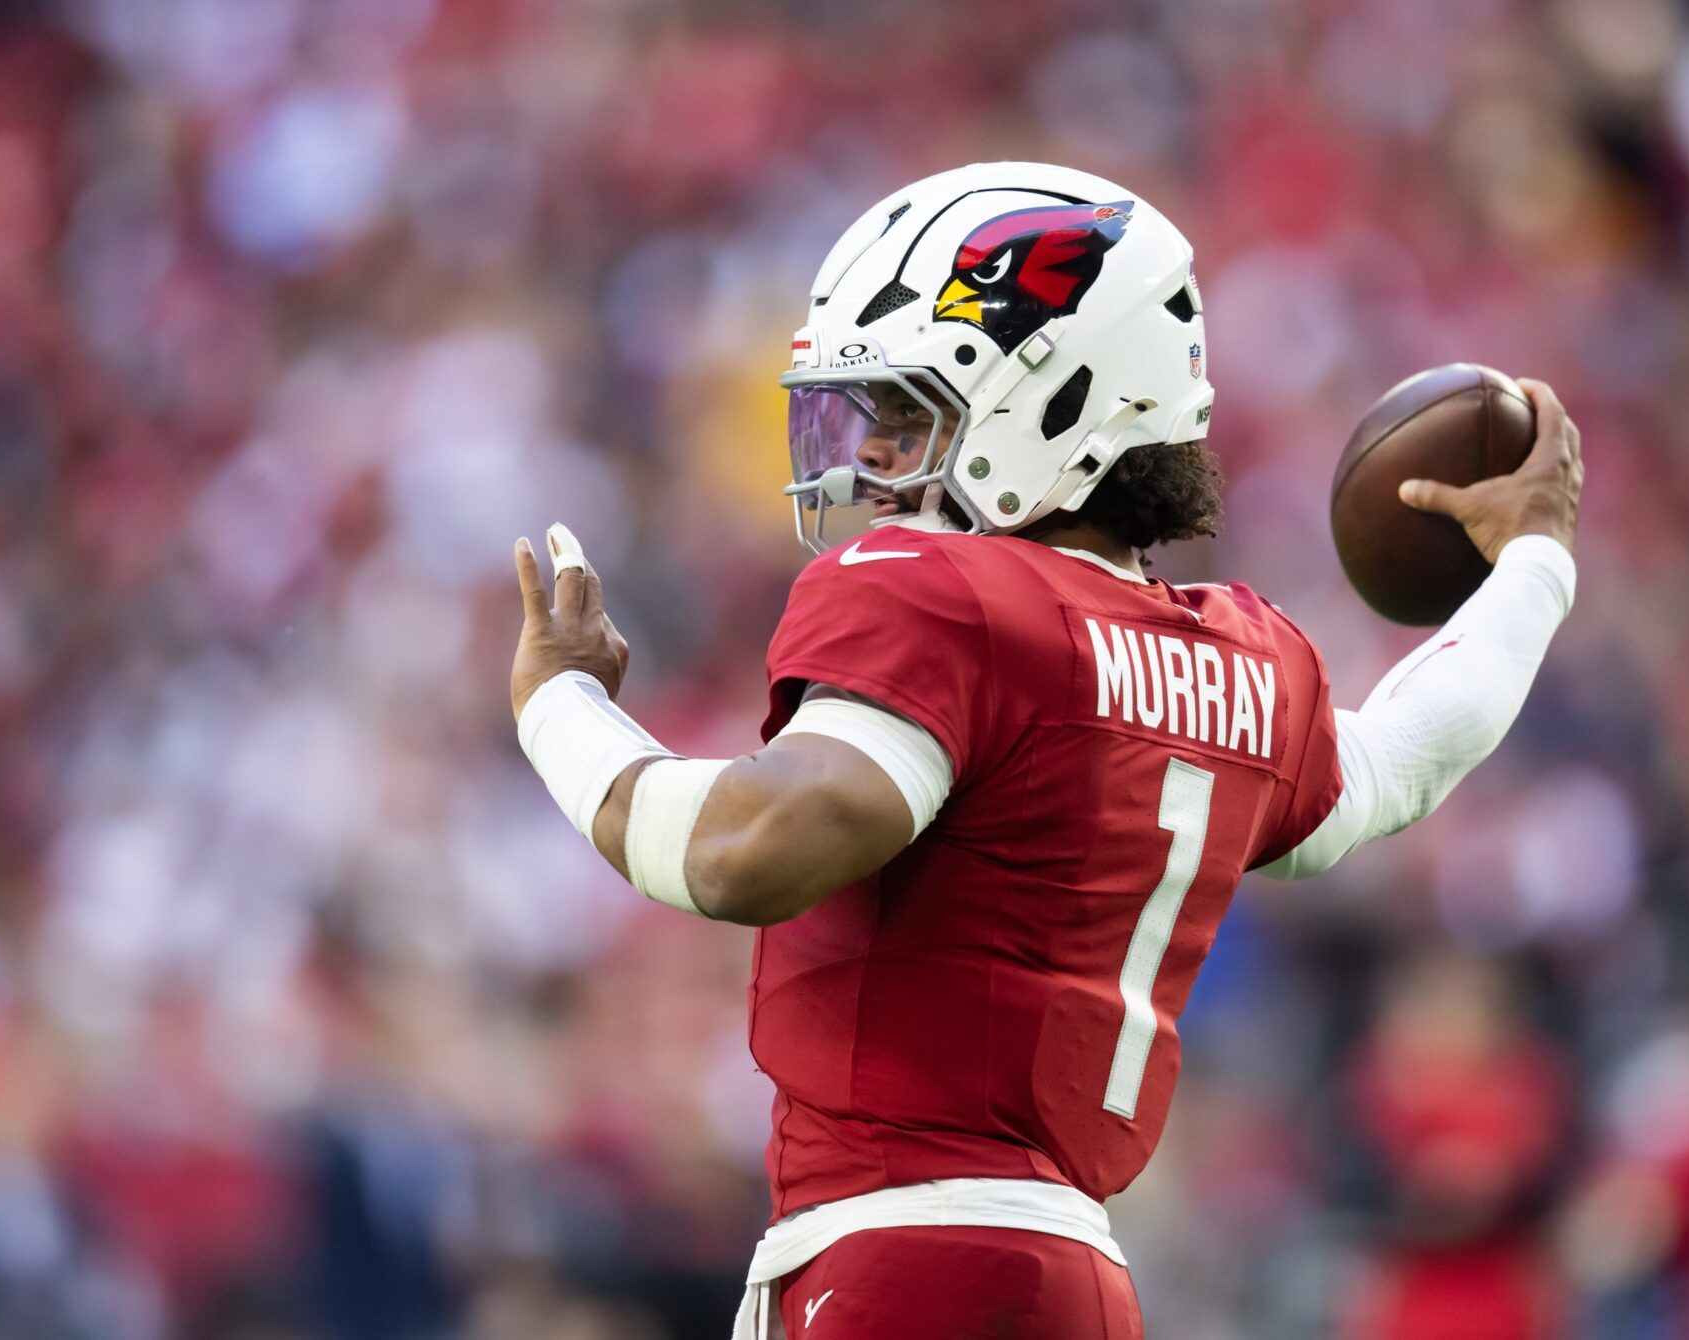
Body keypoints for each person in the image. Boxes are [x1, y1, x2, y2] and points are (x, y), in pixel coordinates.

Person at [507, 163, 1582, 1340]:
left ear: (1054, 403)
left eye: (911, 418)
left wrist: (559, 705)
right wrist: (1535, 562)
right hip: (1074, 1276)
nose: (873, 463)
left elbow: (743, 853)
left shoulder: (942, 591)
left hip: (901, 1265)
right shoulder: (1239, 657)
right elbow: (1397, 761)